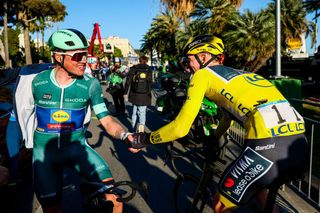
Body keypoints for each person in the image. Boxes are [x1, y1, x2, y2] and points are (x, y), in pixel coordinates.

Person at [127, 35, 309, 212]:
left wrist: (144, 139)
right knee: (259, 189)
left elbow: (180, 128)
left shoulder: (202, 75)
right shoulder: (244, 75)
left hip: (268, 145)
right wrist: (214, 137)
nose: (187, 66)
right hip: (298, 143)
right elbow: (228, 117)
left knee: (221, 204)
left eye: (188, 59)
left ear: (203, 57)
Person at [28, 29, 132, 213]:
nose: (84, 60)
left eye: (85, 55)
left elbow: (107, 121)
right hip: (45, 156)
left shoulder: (89, 84)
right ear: (58, 57)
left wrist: (125, 135)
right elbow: (19, 117)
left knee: (114, 197)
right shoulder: (36, 82)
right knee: (52, 209)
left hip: (77, 150)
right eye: (78, 56)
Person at [124, 55, 153, 132]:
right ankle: (141, 130)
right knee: (142, 113)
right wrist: (149, 94)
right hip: (145, 95)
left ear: (139, 60)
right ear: (146, 61)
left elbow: (128, 81)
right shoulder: (149, 69)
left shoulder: (134, 68)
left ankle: (133, 129)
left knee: (134, 112)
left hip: (134, 94)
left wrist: (125, 92)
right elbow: (150, 83)